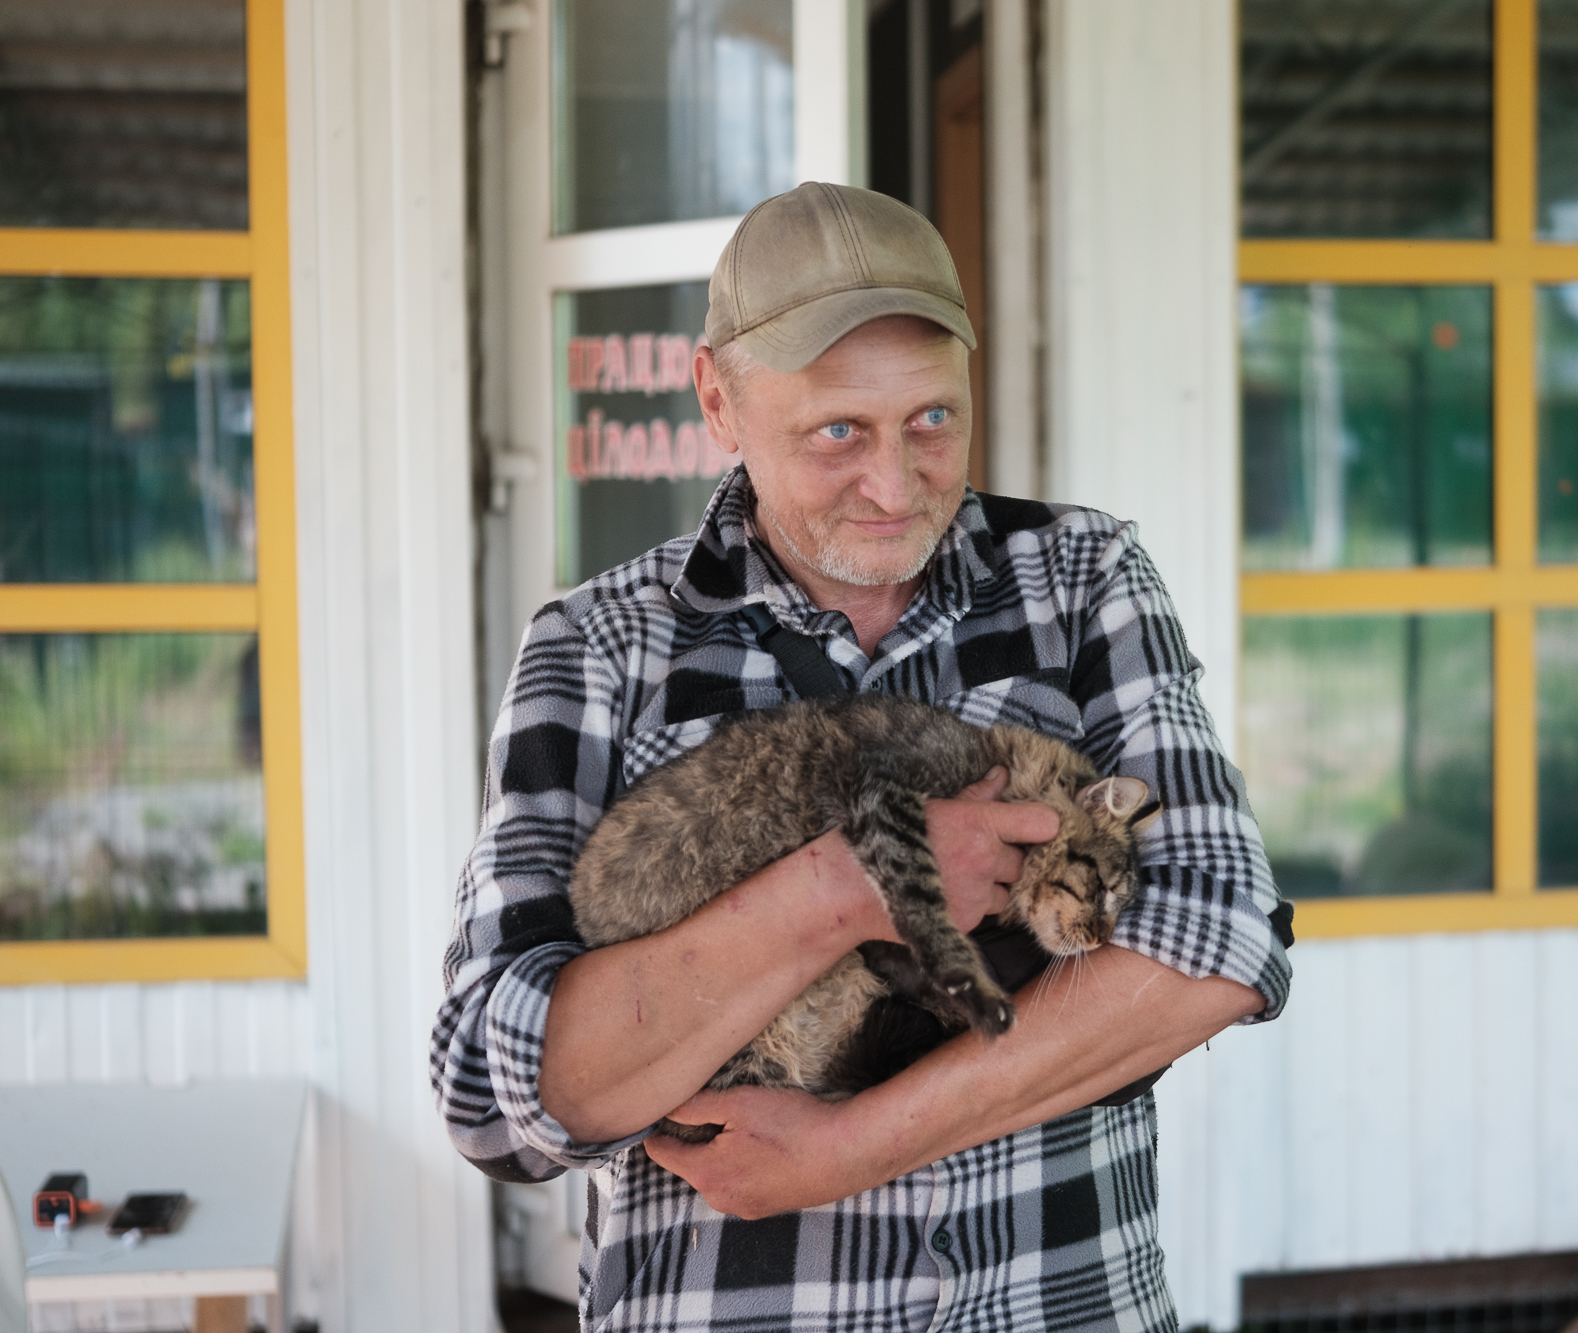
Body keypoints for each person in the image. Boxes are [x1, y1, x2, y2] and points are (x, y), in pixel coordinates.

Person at [432, 182, 1291, 1333]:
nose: (894, 485)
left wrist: (846, 1147)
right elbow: (496, 1091)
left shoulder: (1080, 580)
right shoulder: (596, 649)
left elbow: (1222, 939)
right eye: (837, 431)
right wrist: (834, 894)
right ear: (716, 400)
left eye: (931, 419)